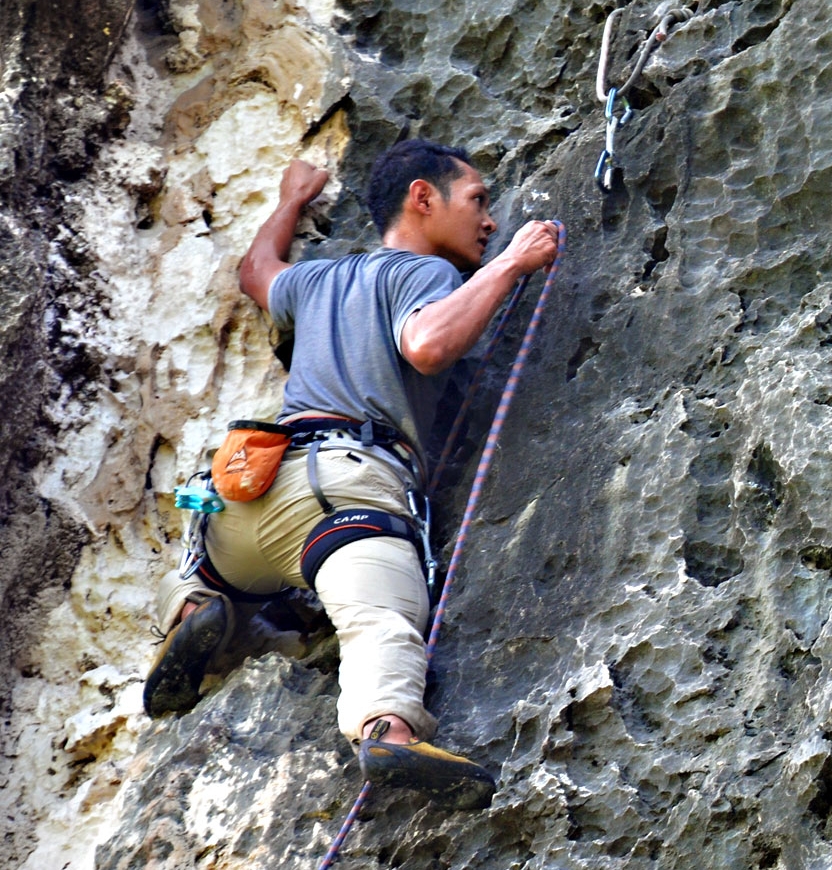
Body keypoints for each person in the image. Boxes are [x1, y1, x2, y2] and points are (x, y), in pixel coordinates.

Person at [143, 140, 559, 810]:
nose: (490, 222)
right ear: (423, 198)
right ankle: (386, 728)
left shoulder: (318, 280)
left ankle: (200, 612)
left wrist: (291, 200)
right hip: (345, 493)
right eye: (479, 201)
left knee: (232, 582)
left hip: (250, 487)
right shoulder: (425, 276)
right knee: (381, 619)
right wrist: (512, 263)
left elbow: (258, 272)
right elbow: (426, 345)